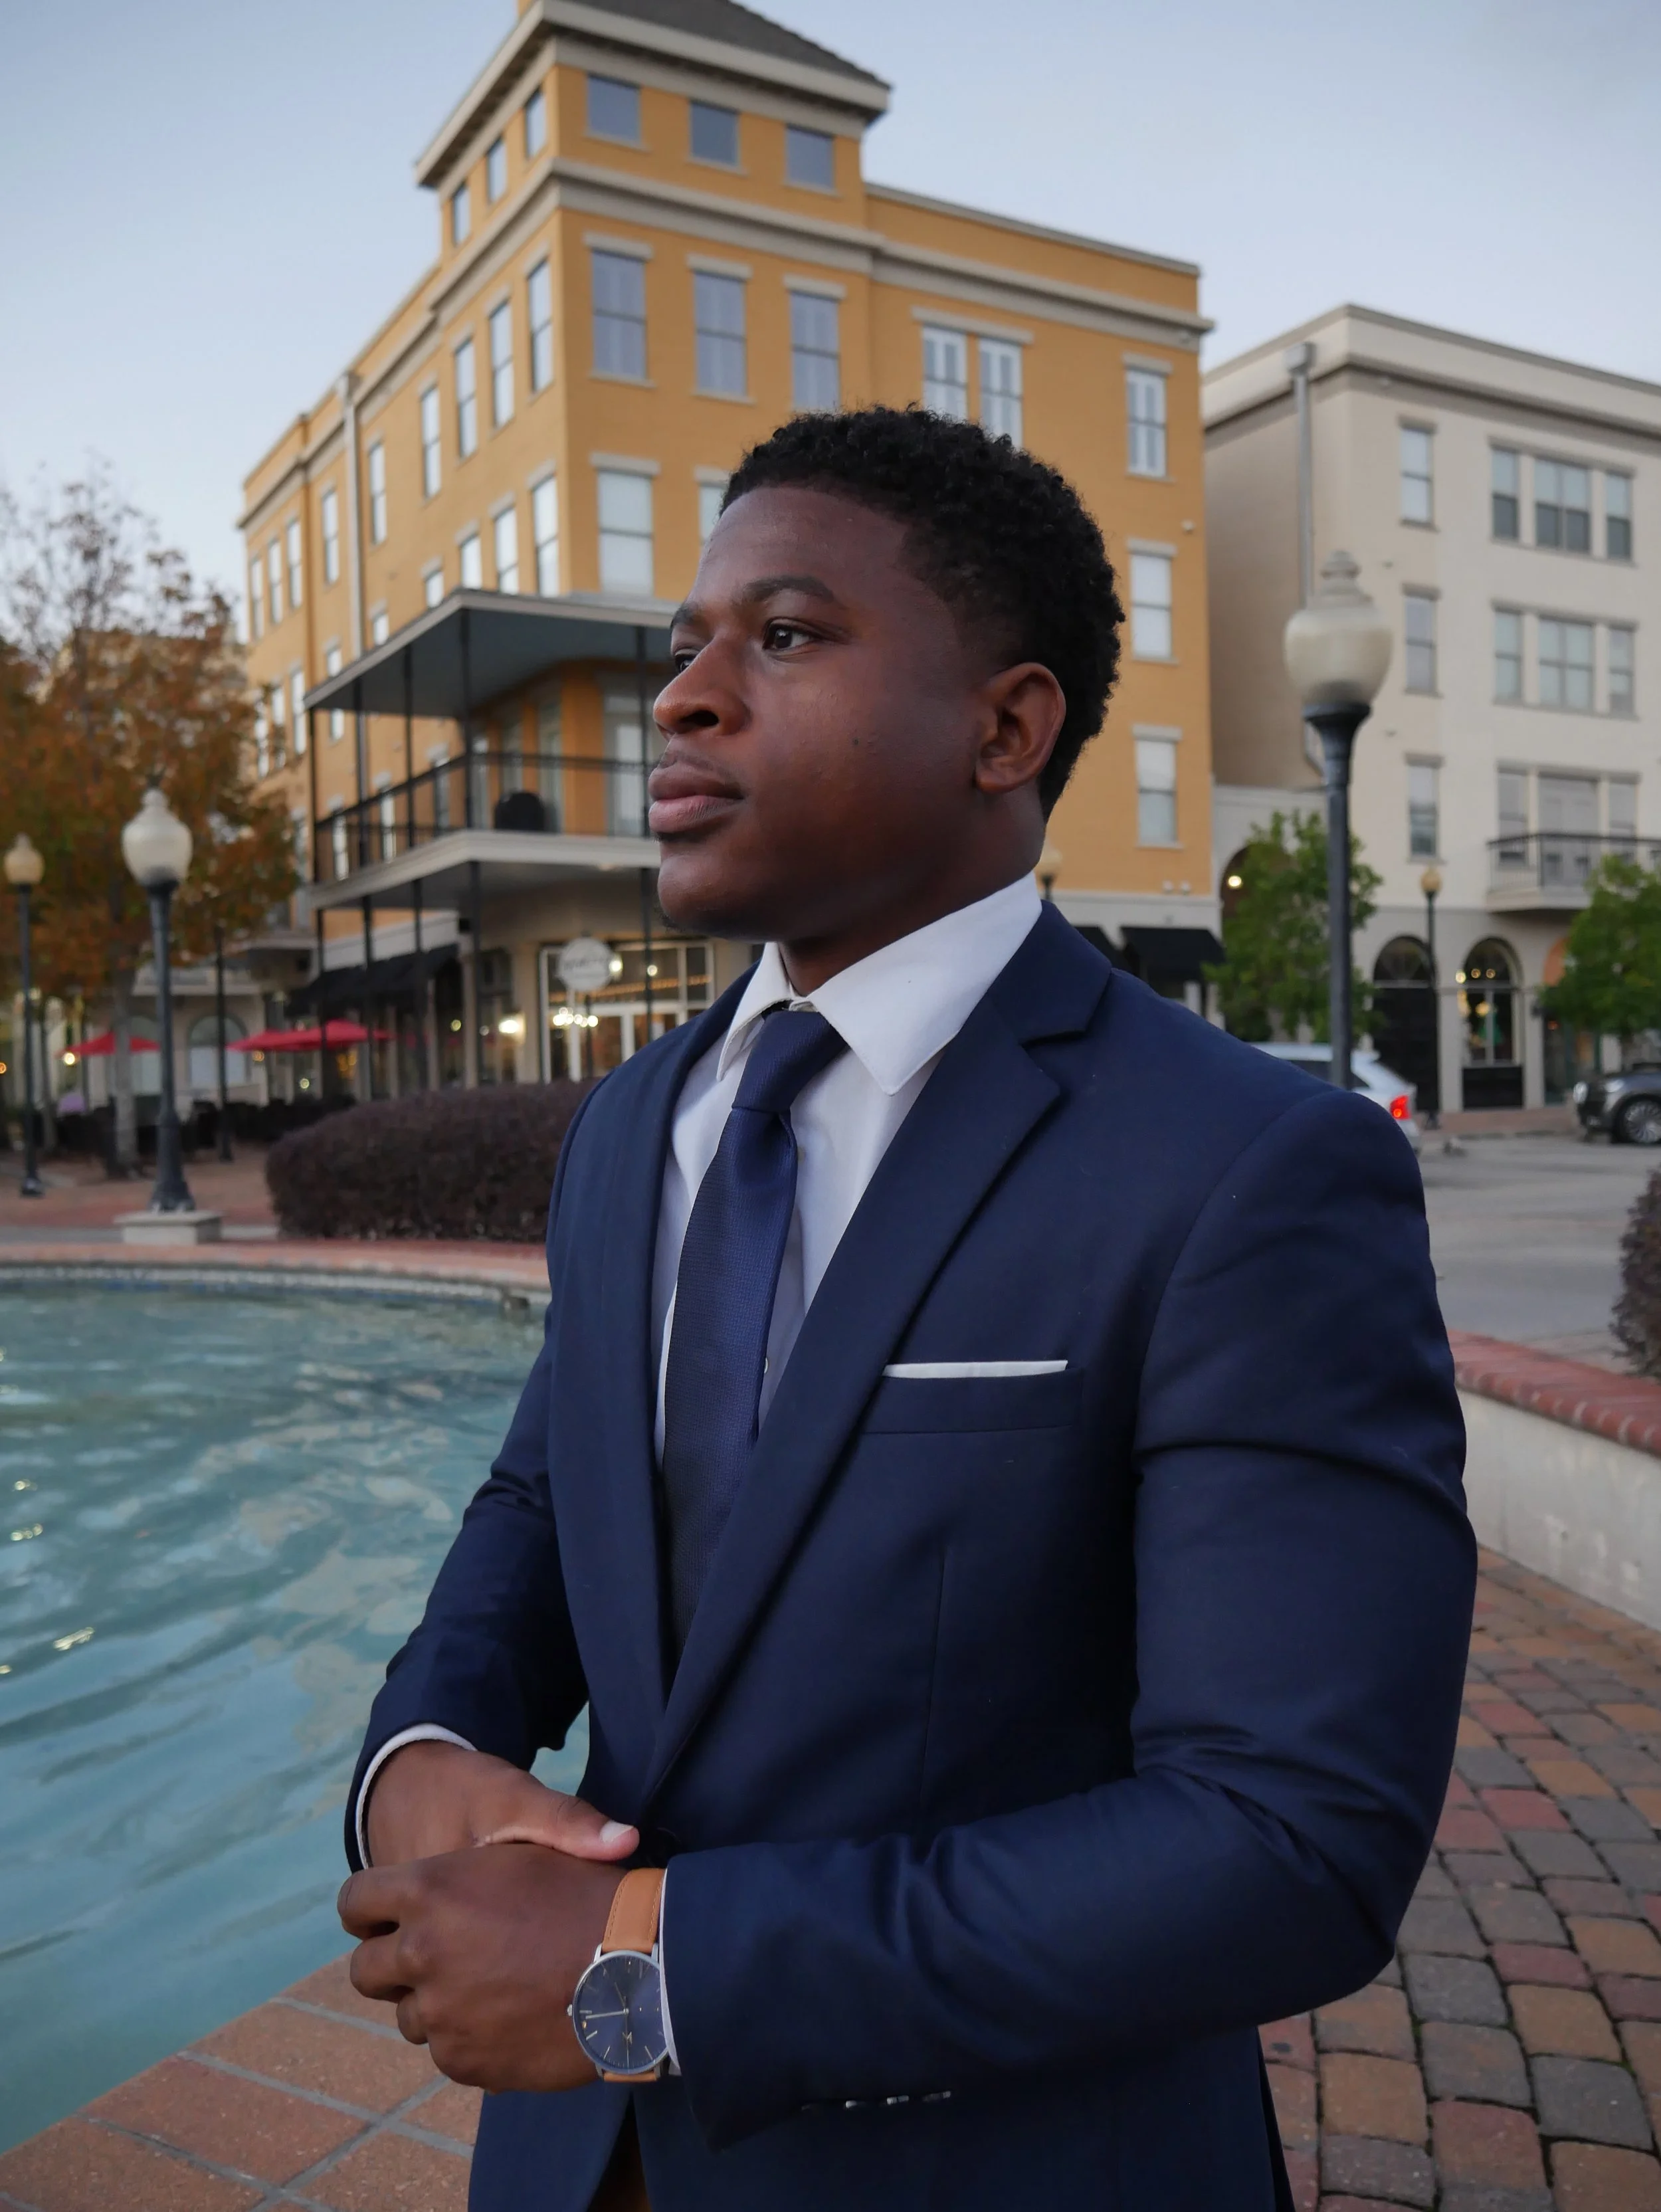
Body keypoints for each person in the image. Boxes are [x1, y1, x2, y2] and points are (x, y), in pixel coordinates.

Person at [339, 406, 1473, 2211]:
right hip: (575, 2163)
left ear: (1006, 728)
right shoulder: (636, 1119)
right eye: (687, 646)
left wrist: (653, 1968)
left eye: (781, 637)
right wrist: (420, 1752)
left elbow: (1290, 1842)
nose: (688, 697)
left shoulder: (1249, 1165)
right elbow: (549, 1499)